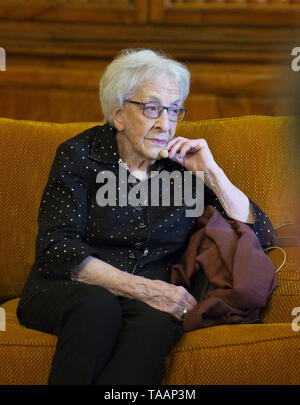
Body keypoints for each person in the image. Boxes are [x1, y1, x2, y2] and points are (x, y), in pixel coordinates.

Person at [17, 48, 276, 385]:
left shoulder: (182, 170)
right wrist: (142, 289)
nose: (165, 124)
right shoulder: (79, 155)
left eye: (173, 110)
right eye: (152, 108)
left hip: (149, 303)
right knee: (99, 308)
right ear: (119, 113)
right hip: (66, 290)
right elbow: (56, 249)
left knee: (156, 325)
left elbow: (261, 234)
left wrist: (212, 172)